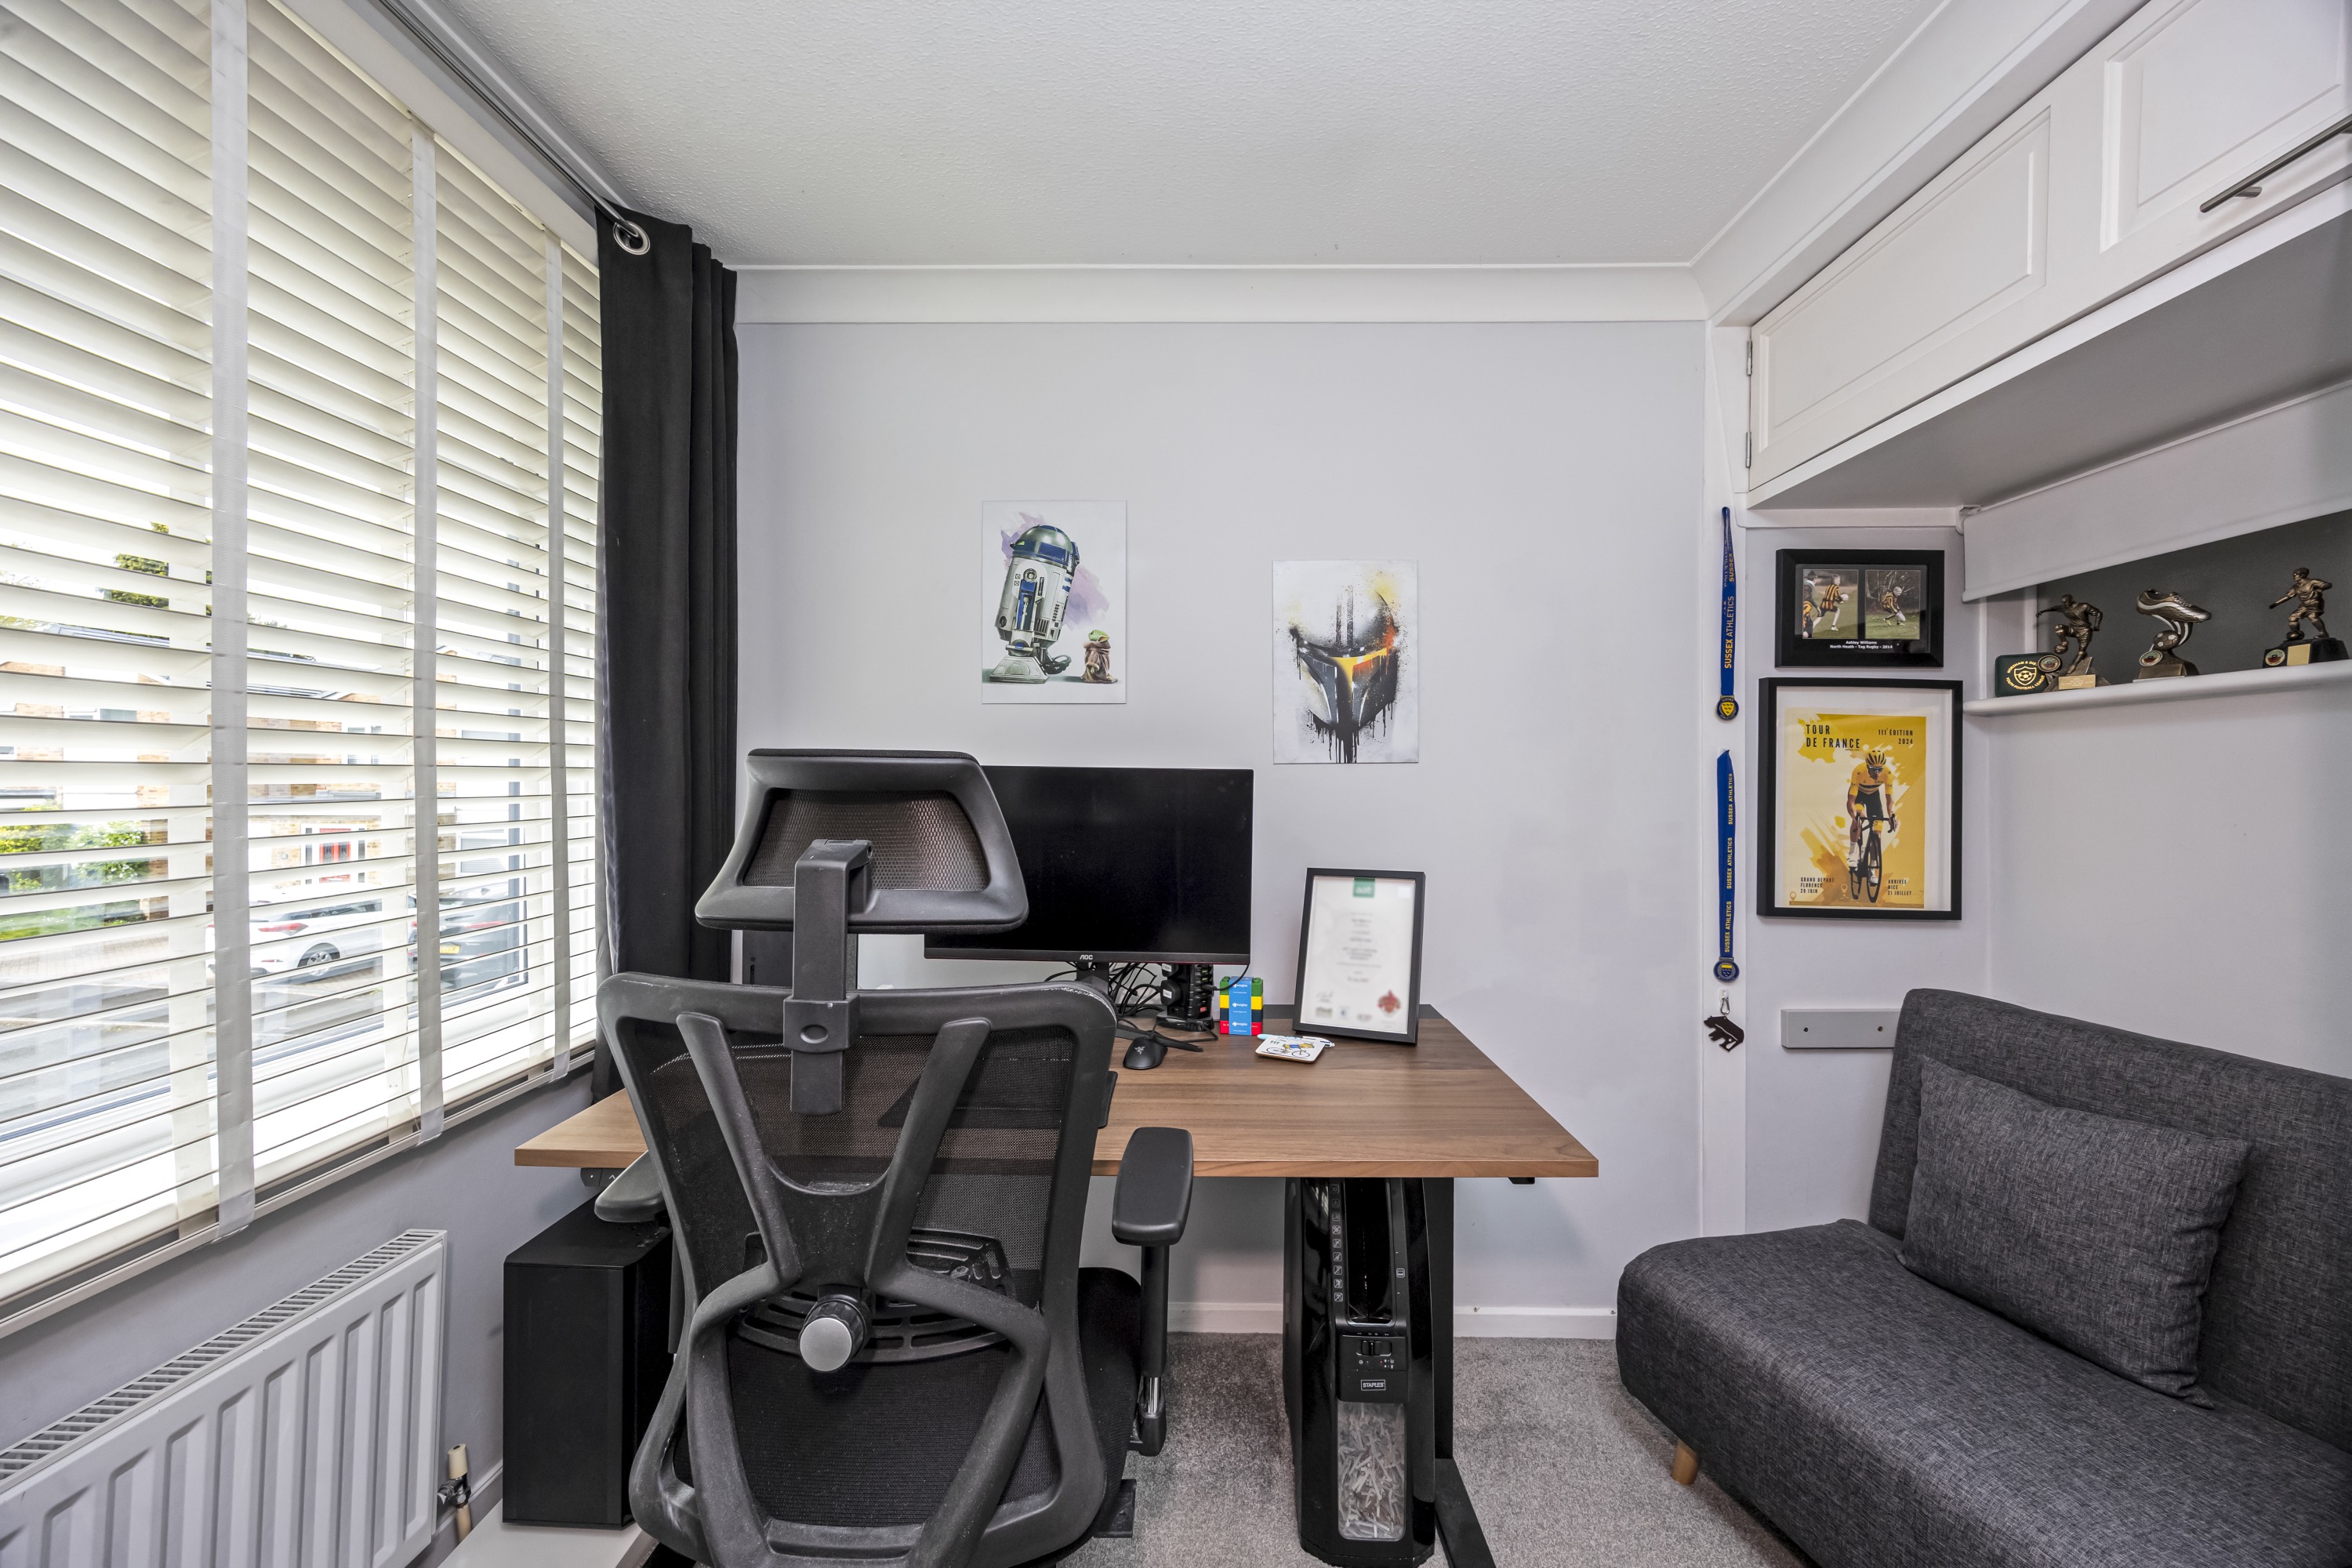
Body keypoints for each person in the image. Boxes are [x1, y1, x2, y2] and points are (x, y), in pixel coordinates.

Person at [1844, 749, 1895, 869]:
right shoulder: (1858, 771)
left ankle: (1872, 868)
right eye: (1873, 769)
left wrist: (1891, 815)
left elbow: (1889, 800)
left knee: (1877, 832)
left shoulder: (1887, 773)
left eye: (1880, 769)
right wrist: (1855, 818)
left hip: (1874, 797)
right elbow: (1851, 801)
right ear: (1867, 766)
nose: (1877, 773)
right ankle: (1852, 853)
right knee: (1859, 819)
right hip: (1859, 796)